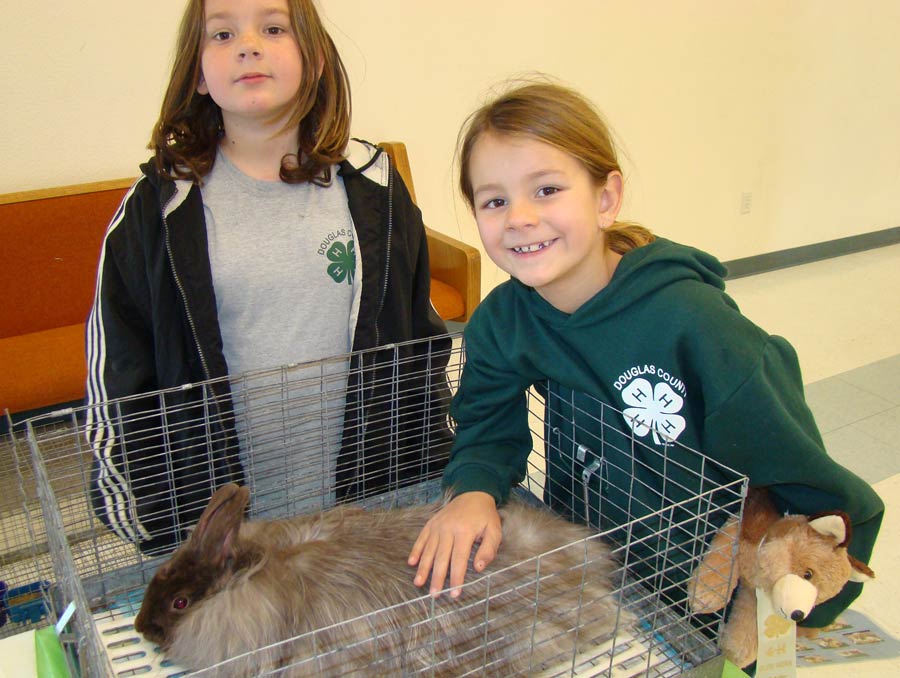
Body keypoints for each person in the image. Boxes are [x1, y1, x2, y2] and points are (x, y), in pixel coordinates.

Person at [408, 81, 882, 629]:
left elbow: (815, 487)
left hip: (708, 597)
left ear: (606, 198)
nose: (517, 217)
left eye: (546, 190)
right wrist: (471, 492)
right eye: (494, 200)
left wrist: (805, 594)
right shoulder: (503, 321)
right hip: (600, 572)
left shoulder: (696, 324)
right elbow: (487, 428)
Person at [86, 0, 451, 554]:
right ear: (199, 74)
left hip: (365, 514)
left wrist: (431, 468)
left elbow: (418, 342)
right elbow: (120, 381)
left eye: (274, 27)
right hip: (224, 537)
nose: (248, 44)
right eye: (223, 33)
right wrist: (159, 530)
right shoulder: (153, 212)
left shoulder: (375, 186)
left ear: (317, 59)